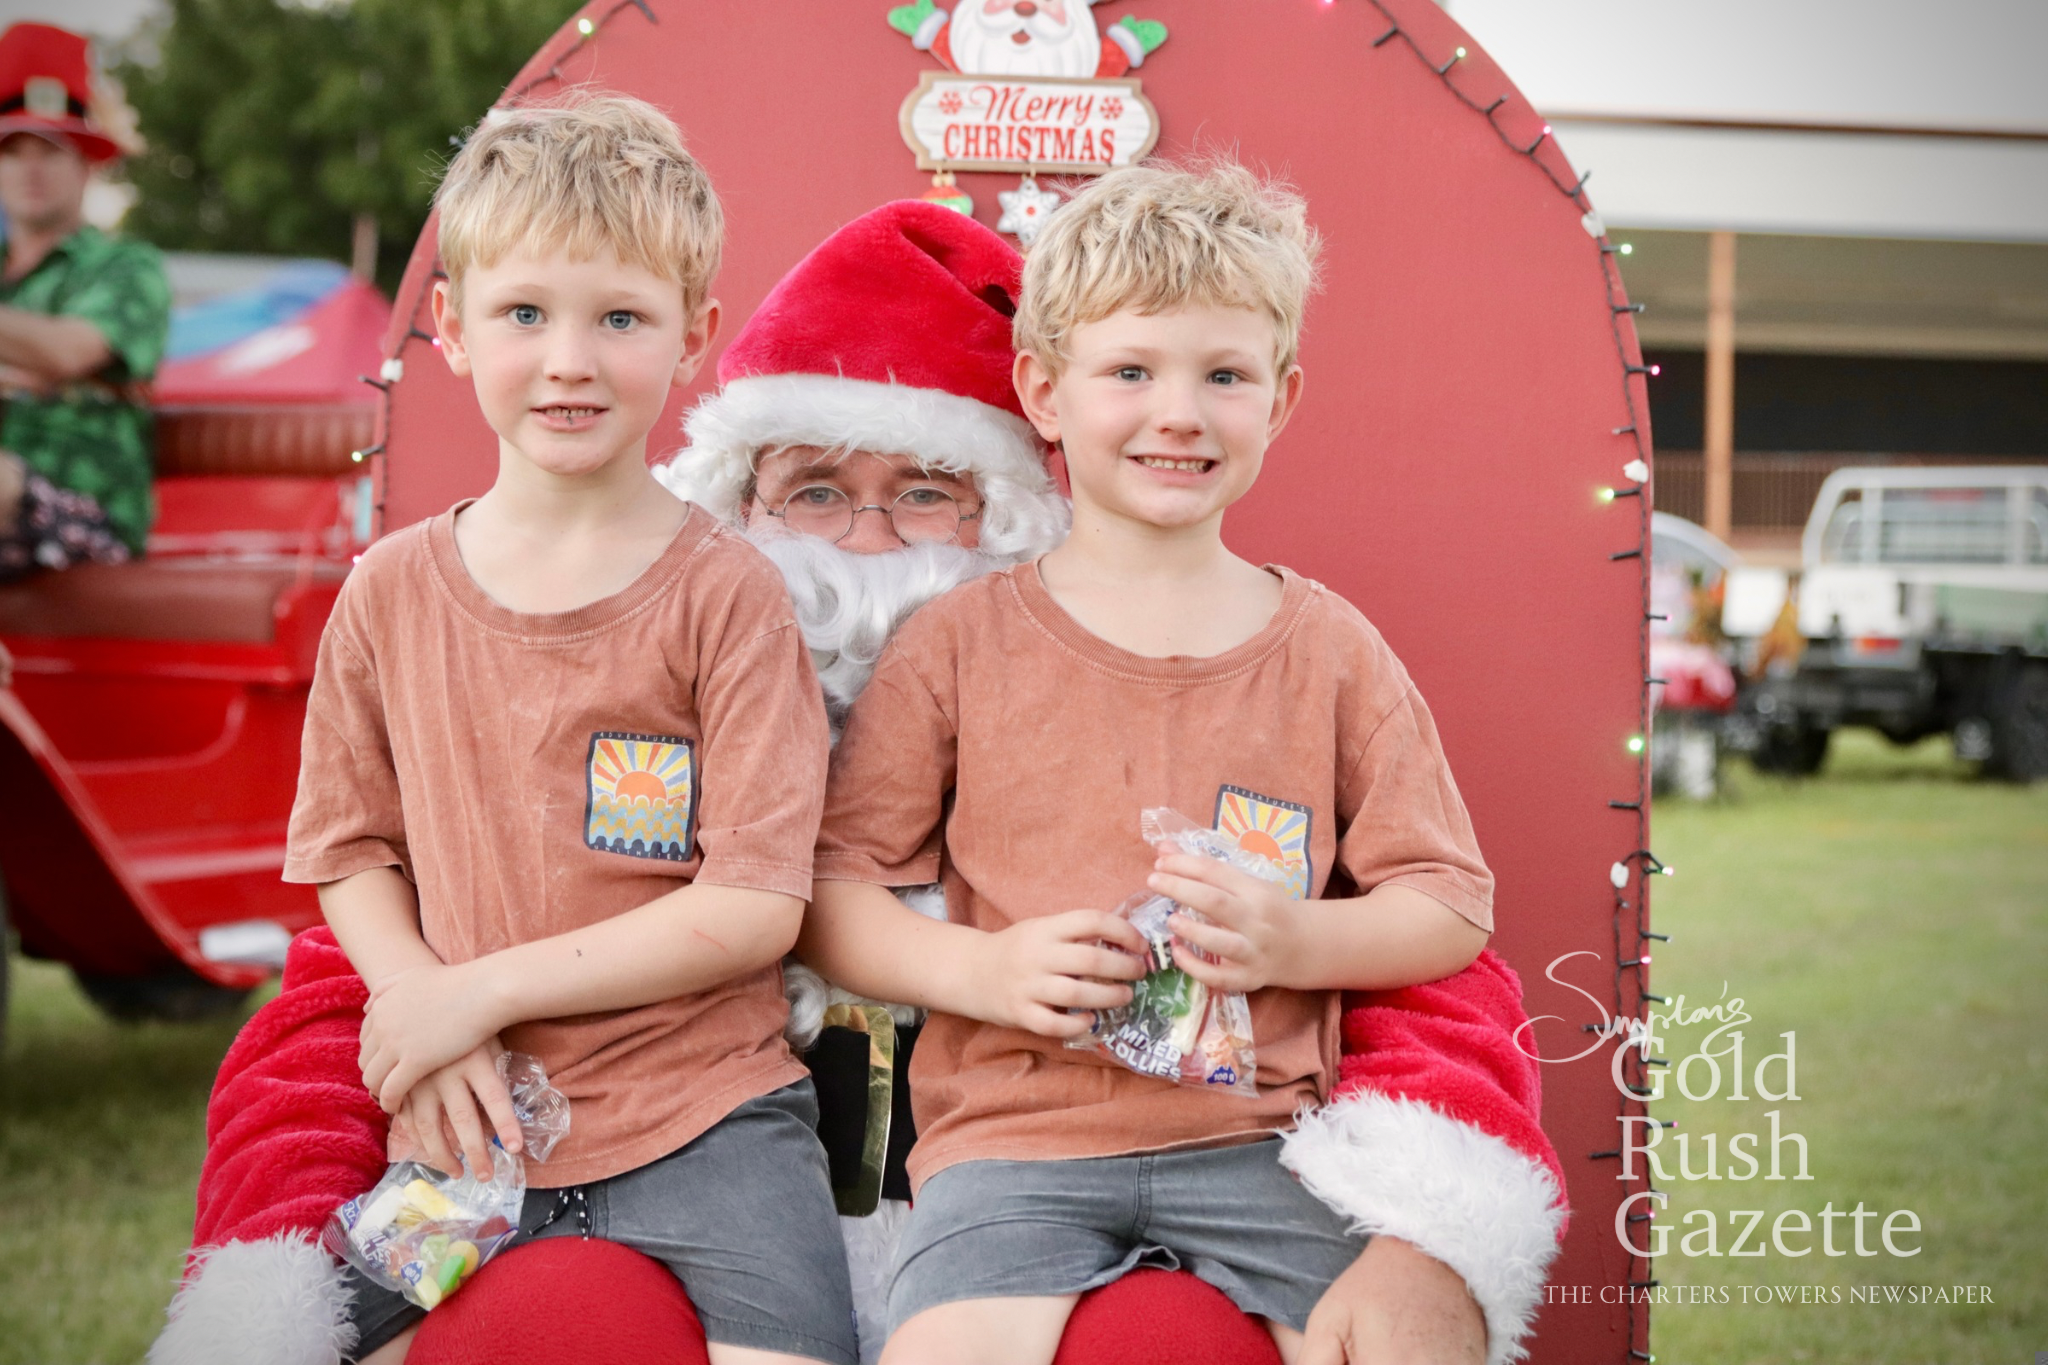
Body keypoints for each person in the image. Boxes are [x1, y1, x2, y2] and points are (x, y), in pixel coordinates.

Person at [157, 201, 1566, 1365]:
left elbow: (1436, 954)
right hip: (753, 1202)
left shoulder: (1260, 659)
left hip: (1148, 1179)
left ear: (1005, 501)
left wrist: (1429, 1221)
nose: (873, 544)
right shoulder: (625, 654)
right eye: (817, 494)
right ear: (741, 508)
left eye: (927, 493)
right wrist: (309, 1207)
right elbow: (365, 960)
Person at [800, 160, 1504, 1365]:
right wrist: (982, 969)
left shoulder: (1329, 651)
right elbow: (829, 894)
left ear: (1279, 400)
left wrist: (1293, 943)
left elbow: (1447, 904)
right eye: (1129, 372)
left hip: (1261, 1153)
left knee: (1411, 1343)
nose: (1178, 414)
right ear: (1043, 390)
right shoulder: (957, 646)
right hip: (1011, 1154)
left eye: (1222, 376)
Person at [283, 95, 855, 1365]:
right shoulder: (390, 593)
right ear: (450, 327)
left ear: (693, 334)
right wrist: (417, 1001)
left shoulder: (728, 596)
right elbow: (347, 849)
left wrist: (473, 992)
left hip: (706, 1126)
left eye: (620, 319)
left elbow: (755, 904)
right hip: (466, 1127)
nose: (569, 361)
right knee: (302, 1340)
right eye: (525, 314)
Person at [0, 22, 168, 581]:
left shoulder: (127, 267)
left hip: (87, 514)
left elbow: (69, 351)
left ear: (86, 163)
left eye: (50, 149)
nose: (30, 168)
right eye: (12, 149)